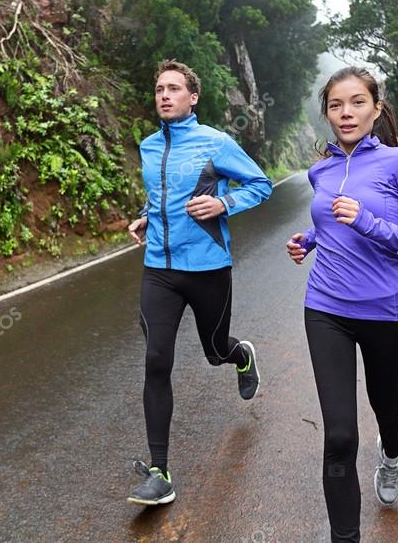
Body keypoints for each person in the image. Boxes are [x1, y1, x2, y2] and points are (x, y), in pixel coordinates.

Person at [286, 66, 398, 542]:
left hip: (387, 314)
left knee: (385, 408)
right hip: (326, 309)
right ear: (327, 114)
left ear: (376, 108)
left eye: (357, 102)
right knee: (338, 437)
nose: (346, 112)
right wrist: (310, 240)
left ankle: (392, 454)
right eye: (336, 105)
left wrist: (371, 225)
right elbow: (332, 221)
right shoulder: (322, 168)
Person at [125, 59, 272, 506]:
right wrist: (149, 217)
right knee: (156, 359)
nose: (164, 95)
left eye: (173, 89)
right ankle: (160, 471)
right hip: (160, 270)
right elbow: (163, 196)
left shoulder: (217, 143)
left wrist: (223, 204)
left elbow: (261, 185)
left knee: (214, 351)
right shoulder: (149, 146)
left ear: (192, 98)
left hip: (208, 268)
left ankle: (239, 354)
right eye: (158, 89)